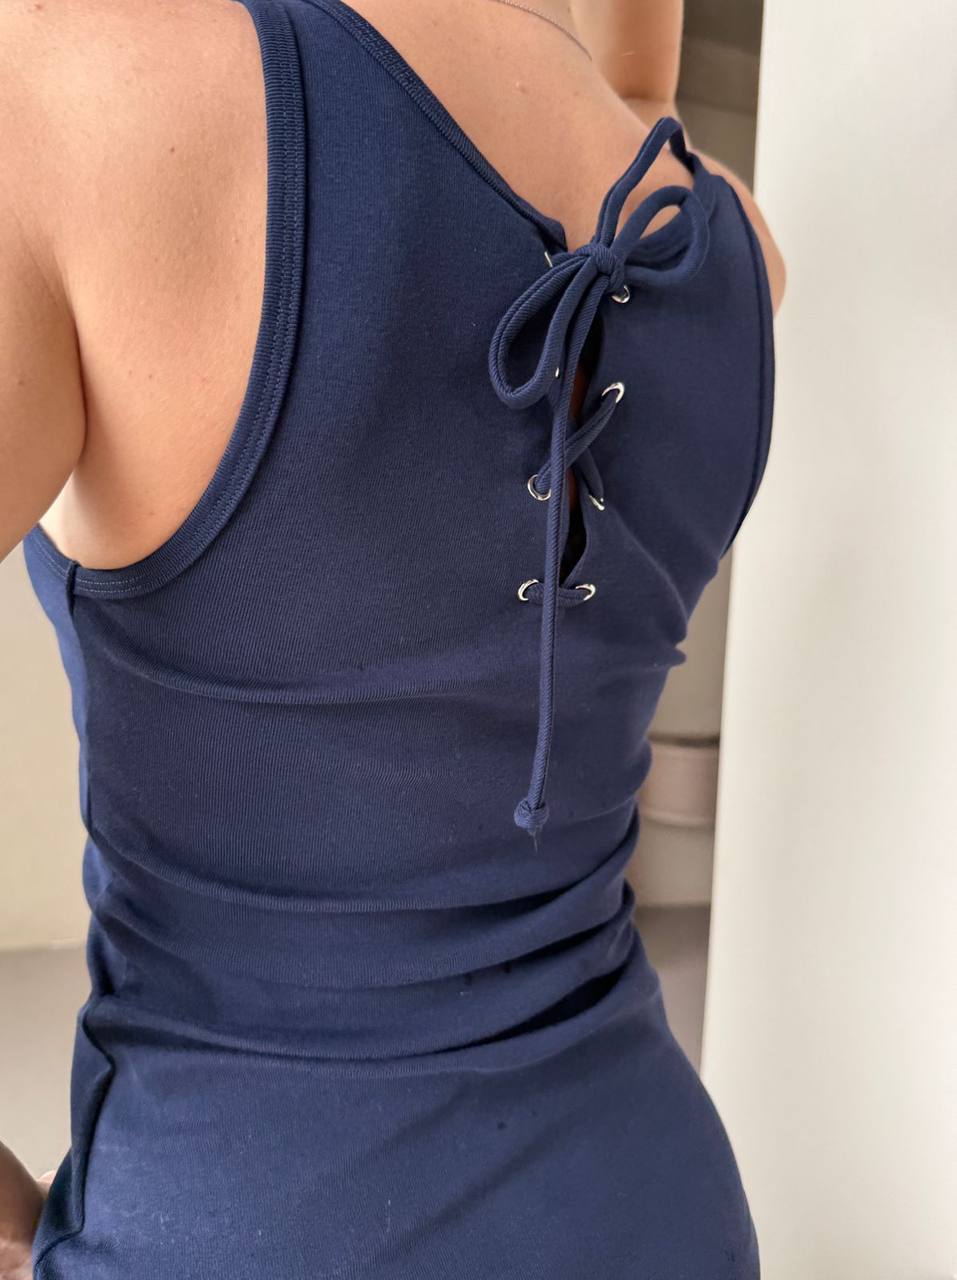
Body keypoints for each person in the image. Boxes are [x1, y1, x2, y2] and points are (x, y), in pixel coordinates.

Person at [0, 0, 784, 1276]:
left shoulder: (68, 101)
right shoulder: (723, 238)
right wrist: (640, 85)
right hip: (658, 1209)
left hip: (226, 1225)